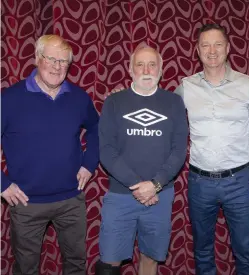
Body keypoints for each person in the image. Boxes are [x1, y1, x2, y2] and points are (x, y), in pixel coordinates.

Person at [1, 34, 99, 275]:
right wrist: (2, 184)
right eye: (51, 59)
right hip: (26, 203)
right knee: (26, 269)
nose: (57, 67)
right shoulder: (9, 99)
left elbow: (97, 129)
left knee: (76, 264)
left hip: (71, 200)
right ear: (37, 58)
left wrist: (89, 164)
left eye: (64, 61)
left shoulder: (78, 97)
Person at [174, 23, 249, 275]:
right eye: (205, 45)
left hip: (240, 181)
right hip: (200, 181)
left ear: (228, 48)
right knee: (202, 249)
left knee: (245, 250)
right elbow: (163, 114)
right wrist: (126, 99)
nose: (212, 50)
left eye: (218, 44)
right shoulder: (186, 87)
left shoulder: (248, 85)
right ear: (198, 51)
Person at [96, 44, 188, 275]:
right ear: (130, 69)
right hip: (120, 195)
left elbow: (179, 150)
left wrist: (155, 185)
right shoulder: (114, 102)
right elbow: (106, 150)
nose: (146, 69)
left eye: (152, 64)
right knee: (109, 263)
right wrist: (138, 185)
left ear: (161, 68)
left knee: (150, 258)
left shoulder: (174, 103)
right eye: (140, 64)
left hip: (160, 195)